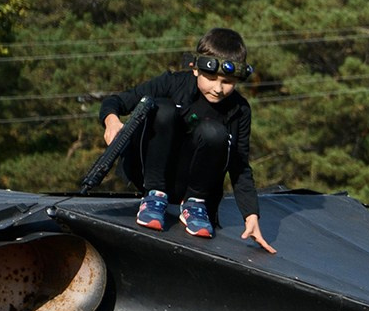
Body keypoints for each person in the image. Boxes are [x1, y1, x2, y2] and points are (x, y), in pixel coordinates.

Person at [100, 28, 275, 252]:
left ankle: (194, 204)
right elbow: (115, 102)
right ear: (195, 69)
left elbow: (239, 165)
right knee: (162, 108)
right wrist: (111, 122)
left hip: (195, 185)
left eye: (228, 81)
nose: (218, 88)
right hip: (150, 172)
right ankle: (154, 196)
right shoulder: (173, 83)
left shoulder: (240, 110)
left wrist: (251, 215)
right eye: (211, 78)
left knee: (215, 132)